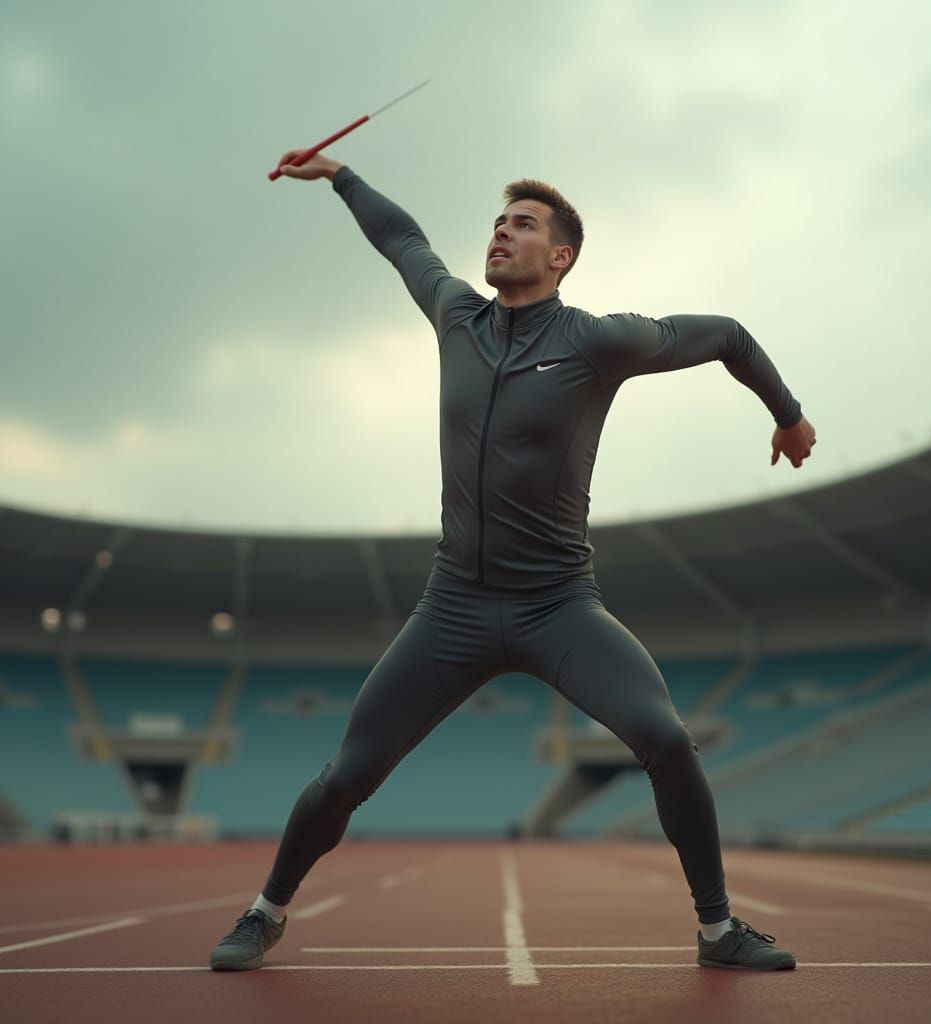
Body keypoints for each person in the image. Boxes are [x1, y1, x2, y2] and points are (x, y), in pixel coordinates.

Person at [209, 149, 816, 972]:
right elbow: (403, 241)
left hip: (558, 605)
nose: (500, 233)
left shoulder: (599, 341)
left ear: (559, 256)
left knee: (667, 741)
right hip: (452, 603)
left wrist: (787, 414)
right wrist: (341, 175)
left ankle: (718, 932)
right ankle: (264, 911)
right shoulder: (456, 314)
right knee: (343, 777)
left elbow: (725, 336)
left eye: (522, 225)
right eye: (497, 222)